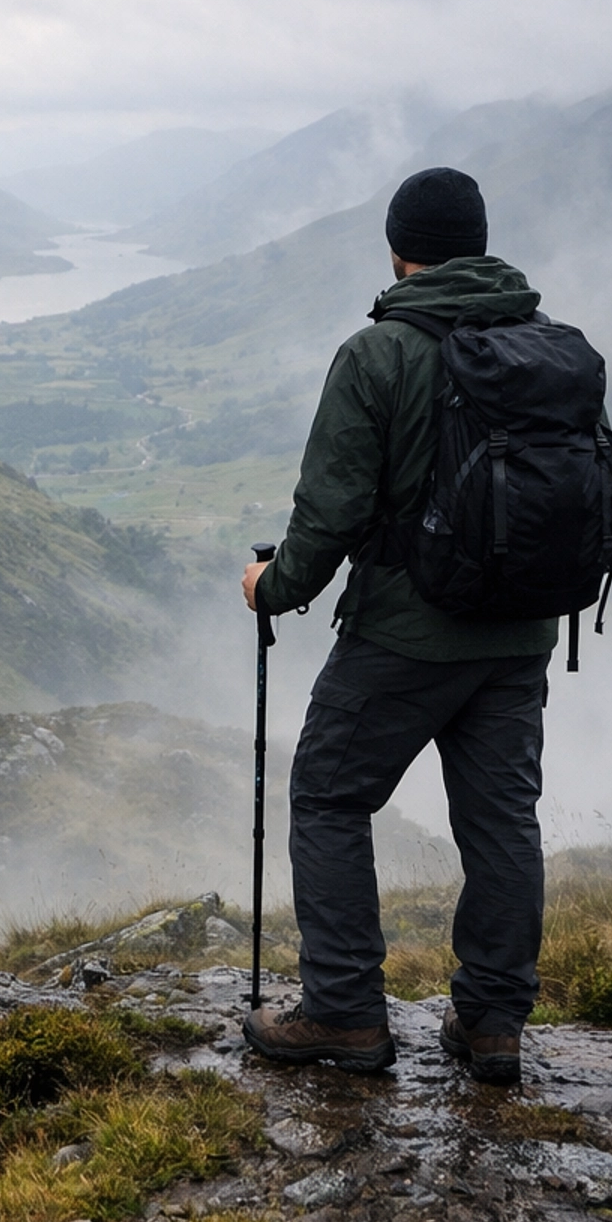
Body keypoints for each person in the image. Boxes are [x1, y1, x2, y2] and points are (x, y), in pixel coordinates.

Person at [240, 165, 557, 1086]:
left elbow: (330, 512)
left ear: (398, 249)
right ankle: (493, 1024)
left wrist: (272, 587)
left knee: (331, 796)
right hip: (519, 634)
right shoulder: (543, 345)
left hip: (405, 637)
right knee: (501, 823)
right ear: (481, 246)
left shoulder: (377, 355)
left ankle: (343, 1014)